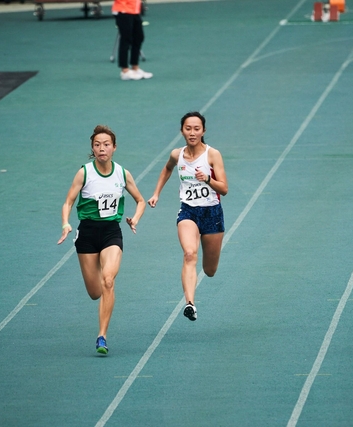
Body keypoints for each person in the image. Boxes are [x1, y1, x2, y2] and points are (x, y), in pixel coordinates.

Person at [58, 125, 146, 354]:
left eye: (106, 144)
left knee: (108, 280)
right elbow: (68, 201)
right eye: (97, 145)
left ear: (114, 148)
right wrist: (66, 223)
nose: (101, 148)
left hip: (111, 232)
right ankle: (97, 274)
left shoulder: (122, 173)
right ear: (92, 148)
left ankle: (102, 336)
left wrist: (135, 219)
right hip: (86, 234)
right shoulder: (84, 173)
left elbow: (140, 200)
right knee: (95, 292)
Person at [147, 112, 228, 321]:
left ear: (203, 131)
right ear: (182, 130)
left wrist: (208, 179)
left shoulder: (212, 155)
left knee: (209, 270)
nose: (192, 133)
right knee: (189, 254)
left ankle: (198, 286)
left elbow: (224, 188)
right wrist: (156, 193)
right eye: (188, 128)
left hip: (211, 213)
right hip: (188, 211)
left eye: (196, 129)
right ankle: (190, 303)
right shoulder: (177, 155)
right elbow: (167, 169)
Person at [112, 0, 152, 81]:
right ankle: (125, 71)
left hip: (134, 10)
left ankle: (135, 67)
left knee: (139, 37)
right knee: (126, 39)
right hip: (123, 10)